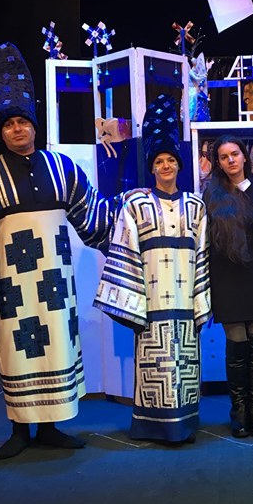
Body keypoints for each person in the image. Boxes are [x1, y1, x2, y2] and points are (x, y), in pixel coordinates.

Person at [0, 42, 129, 460]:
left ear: (35, 126)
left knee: (56, 348)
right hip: (11, 290)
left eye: (23, 122)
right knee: (17, 354)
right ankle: (20, 430)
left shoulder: (63, 168)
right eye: (9, 125)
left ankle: (50, 428)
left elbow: (95, 216)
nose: (17, 130)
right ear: (1, 131)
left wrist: (131, 206)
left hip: (54, 287)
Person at [93, 94, 211, 444]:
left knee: (185, 366)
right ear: (152, 166)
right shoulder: (136, 203)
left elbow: (202, 255)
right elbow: (125, 250)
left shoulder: (196, 205)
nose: (165, 166)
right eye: (159, 161)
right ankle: (152, 426)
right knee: (153, 368)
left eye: (170, 160)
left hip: (184, 302)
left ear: (179, 165)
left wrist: (200, 302)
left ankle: (184, 425)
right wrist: (134, 303)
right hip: (152, 303)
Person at [202, 135, 253, 437]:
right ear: (218, 163)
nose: (231, 160)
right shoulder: (211, 192)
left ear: (245, 156)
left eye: (235, 154)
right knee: (236, 346)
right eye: (224, 157)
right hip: (225, 277)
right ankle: (239, 410)